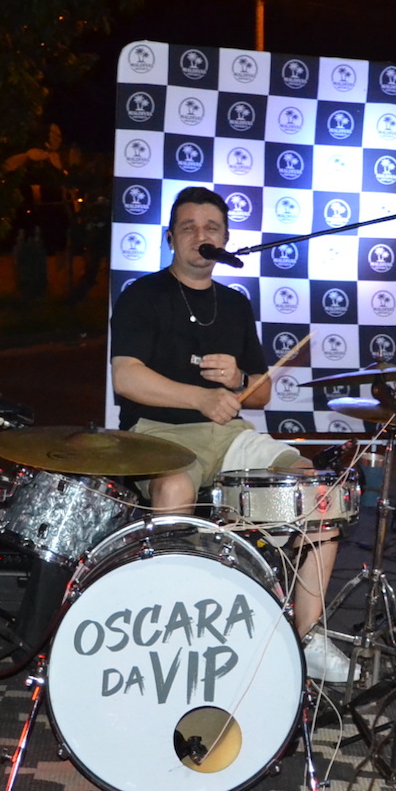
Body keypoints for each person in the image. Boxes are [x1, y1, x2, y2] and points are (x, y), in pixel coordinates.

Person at [110, 186, 354, 682]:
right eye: (189, 227)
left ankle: (307, 636)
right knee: (174, 487)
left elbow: (259, 394)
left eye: (212, 228)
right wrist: (200, 397)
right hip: (157, 433)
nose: (200, 235)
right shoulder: (143, 294)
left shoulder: (236, 304)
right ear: (170, 238)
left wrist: (240, 379)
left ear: (225, 239)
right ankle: (162, 621)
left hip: (229, 434)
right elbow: (126, 378)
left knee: (315, 488)